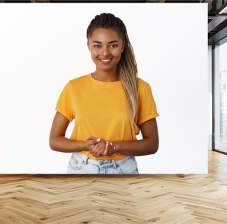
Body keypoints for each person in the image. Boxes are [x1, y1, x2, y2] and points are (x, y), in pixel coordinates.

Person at [49, 13, 159, 174]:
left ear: (123, 46)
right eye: (97, 45)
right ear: (88, 45)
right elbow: (54, 140)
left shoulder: (140, 88)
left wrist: (115, 147)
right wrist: (86, 145)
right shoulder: (74, 87)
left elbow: (152, 143)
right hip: (81, 168)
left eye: (113, 45)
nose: (105, 53)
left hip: (123, 170)